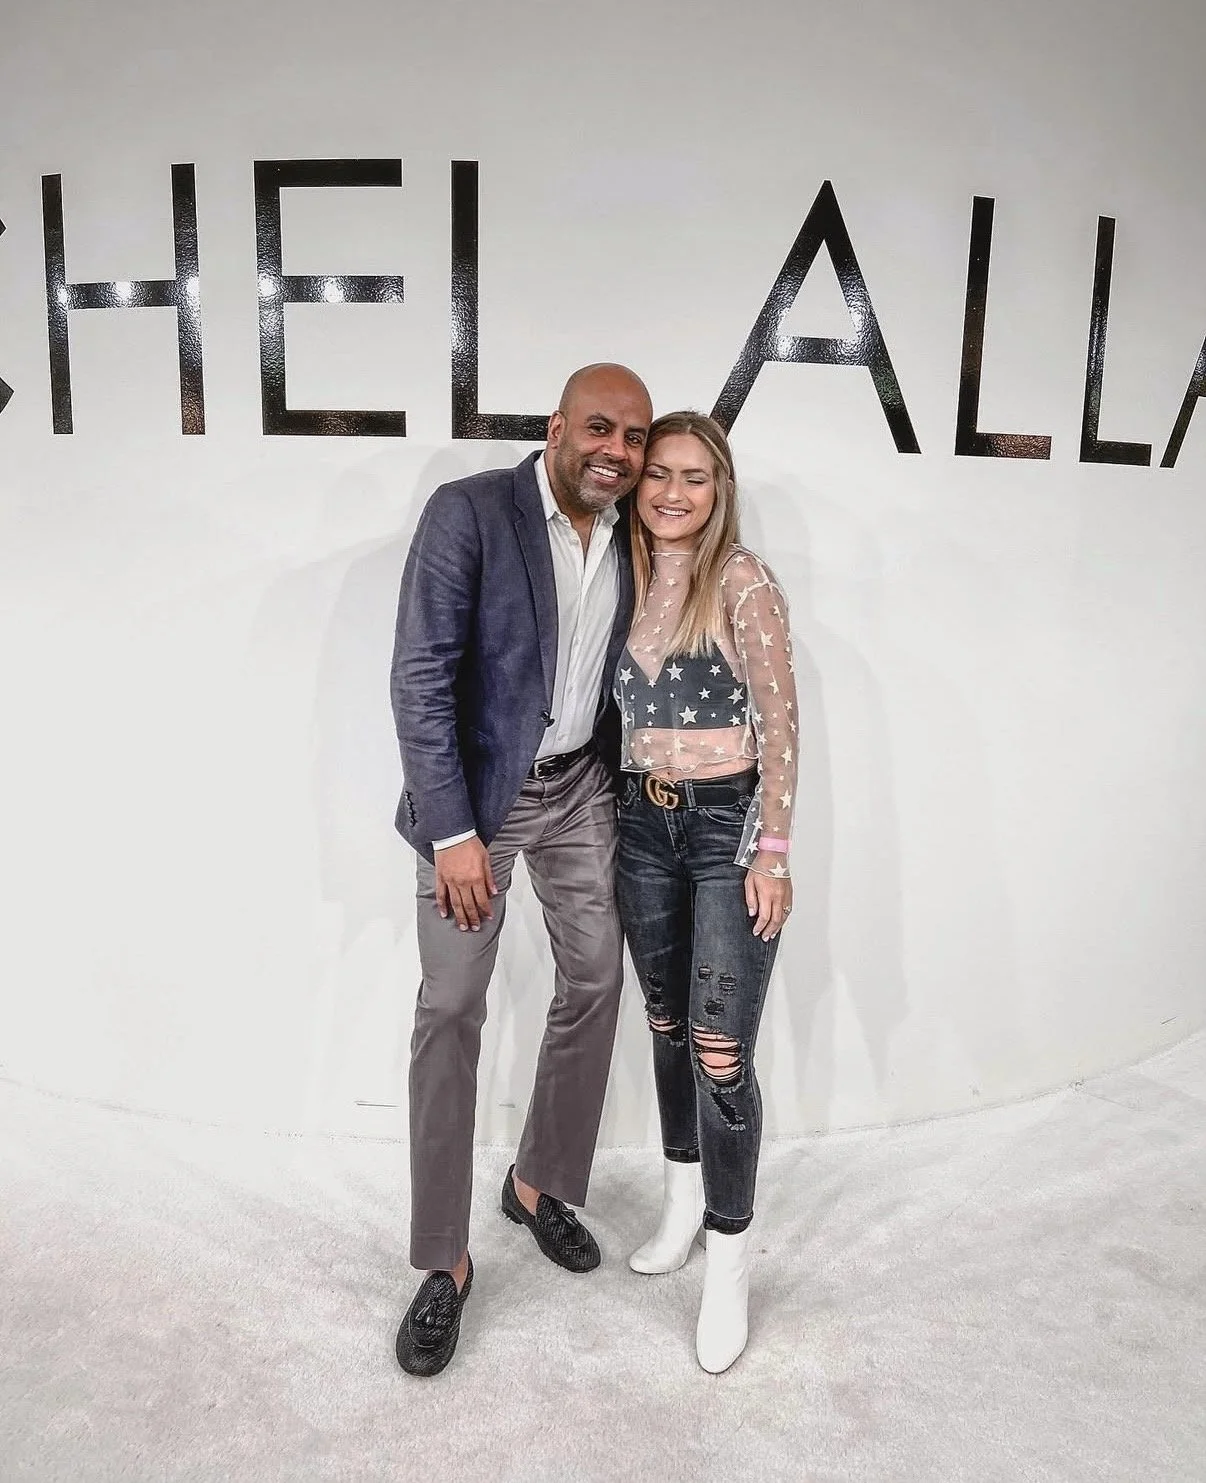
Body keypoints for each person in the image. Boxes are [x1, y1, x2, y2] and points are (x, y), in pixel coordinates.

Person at [389, 363, 653, 1376]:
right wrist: (452, 831)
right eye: (599, 427)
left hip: (580, 787)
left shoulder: (634, 534)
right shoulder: (472, 513)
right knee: (453, 1007)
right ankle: (443, 1262)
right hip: (479, 804)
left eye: (632, 437)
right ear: (556, 427)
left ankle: (538, 1183)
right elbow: (420, 676)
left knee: (594, 977)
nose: (616, 452)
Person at [613, 410, 797, 1373]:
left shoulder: (743, 580)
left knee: (721, 1049)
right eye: (661, 475)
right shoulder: (625, 576)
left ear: (720, 489)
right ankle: (681, 1197)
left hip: (726, 830)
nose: (675, 493)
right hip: (640, 825)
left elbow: (782, 728)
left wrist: (771, 851)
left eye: (697, 477)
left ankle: (728, 1258)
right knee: (666, 1025)